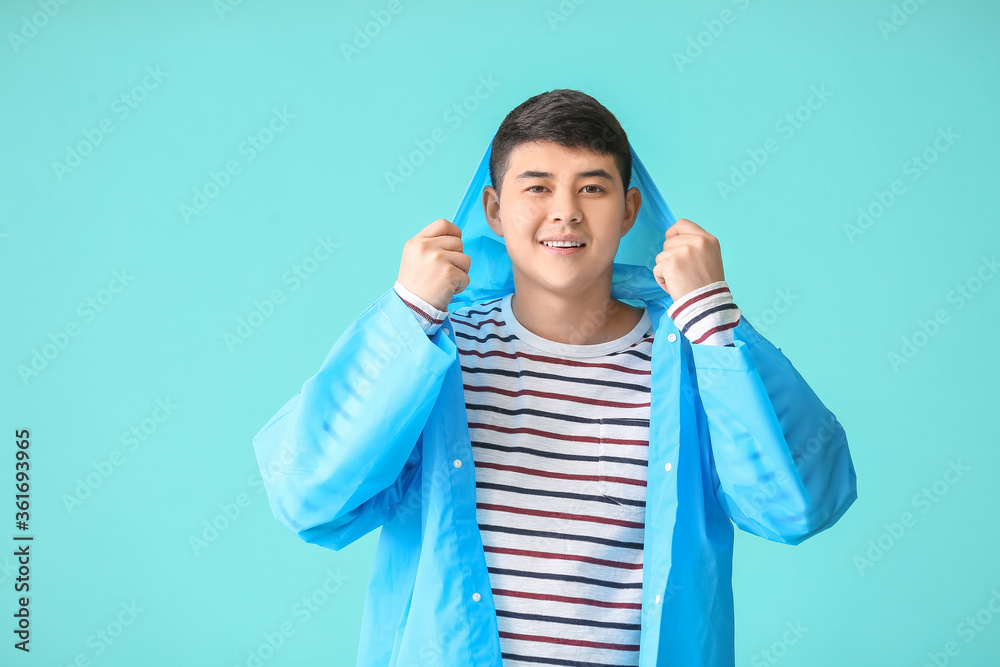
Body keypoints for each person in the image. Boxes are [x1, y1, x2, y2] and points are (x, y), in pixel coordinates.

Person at [252, 89, 858, 667]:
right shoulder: (432, 359)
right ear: (494, 209)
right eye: (537, 186)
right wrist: (404, 317)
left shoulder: (698, 359)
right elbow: (308, 497)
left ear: (628, 210)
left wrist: (716, 317)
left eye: (591, 188)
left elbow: (796, 508)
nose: (564, 211)